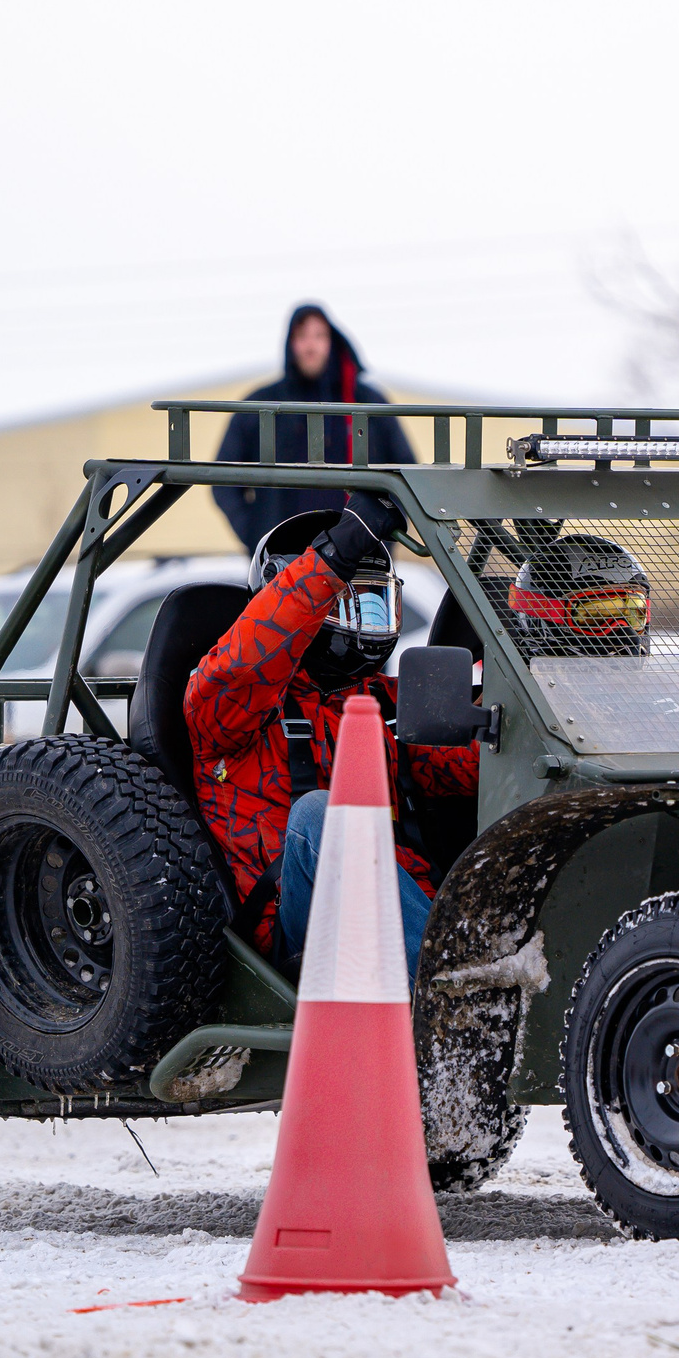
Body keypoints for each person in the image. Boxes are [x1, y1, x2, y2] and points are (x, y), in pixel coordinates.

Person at [183, 495, 475, 982]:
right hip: (295, 930)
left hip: (404, 912)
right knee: (320, 814)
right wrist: (333, 557)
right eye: (345, 603)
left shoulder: (378, 702)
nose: (366, 623)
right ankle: (454, 990)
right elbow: (242, 665)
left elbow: (481, 758)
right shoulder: (227, 707)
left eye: (374, 604)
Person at [212, 306, 420, 553]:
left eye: (319, 336)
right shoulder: (262, 405)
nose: (310, 346)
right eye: (302, 336)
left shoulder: (366, 402)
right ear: (291, 343)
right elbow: (222, 480)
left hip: (356, 559)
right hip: (284, 559)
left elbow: (406, 475)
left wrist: (382, 538)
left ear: (332, 341)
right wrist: (258, 536)